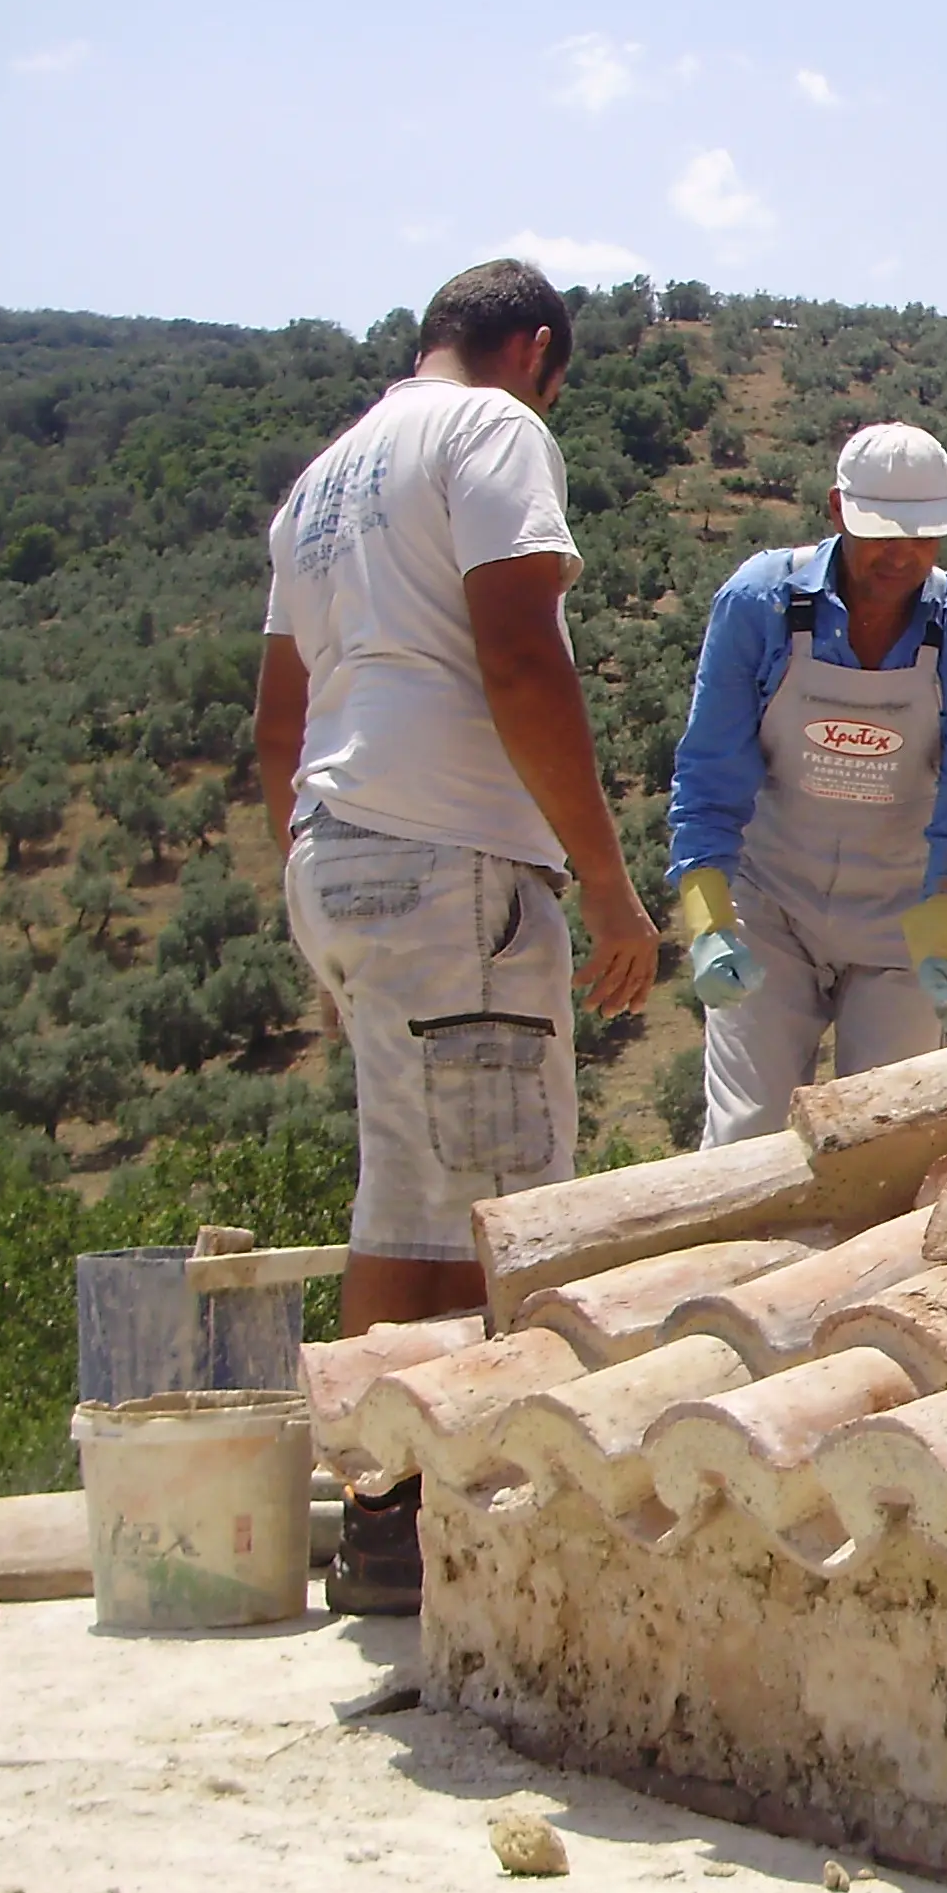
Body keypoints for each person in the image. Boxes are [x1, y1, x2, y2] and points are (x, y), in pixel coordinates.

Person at [255, 258, 661, 1612]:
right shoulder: (494, 431)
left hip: (344, 852)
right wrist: (606, 884)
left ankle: (381, 1517)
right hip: (454, 860)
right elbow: (521, 657)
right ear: (537, 350)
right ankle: (472, 1525)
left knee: (404, 1198)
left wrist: (320, 904)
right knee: (502, 1212)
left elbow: (280, 719)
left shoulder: (317, 486)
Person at [664, 422, 947, 1145]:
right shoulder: (760, 606)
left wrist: (944, 940)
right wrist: (707, 924)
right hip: (770, 909)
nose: (902, 556)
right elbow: (709, 779)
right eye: (881, 533)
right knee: (747, 1139)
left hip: (900, 920)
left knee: (886, 1140)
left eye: (923, 537)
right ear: (836, 511)